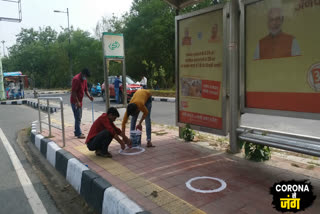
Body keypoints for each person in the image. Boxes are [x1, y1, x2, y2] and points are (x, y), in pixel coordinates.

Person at [70, 68, 94, 139]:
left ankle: (77, 131)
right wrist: (77, 102)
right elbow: (73, 92)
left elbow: (86, 90)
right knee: (78, 117)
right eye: (85, 76)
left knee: (79, 117)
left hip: (80, 101)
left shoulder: (84, 79)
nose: (86, 78)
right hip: (75, 102)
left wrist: (90, 97)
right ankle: (78, 133)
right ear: (83, 74)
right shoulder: (76, 79)